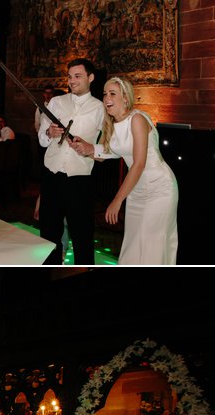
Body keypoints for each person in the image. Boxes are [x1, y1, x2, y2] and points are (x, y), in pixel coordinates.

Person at [70, 76, 179, 264]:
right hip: (136, 190)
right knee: (133, 246)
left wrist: (117, 200)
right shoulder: (112, 124)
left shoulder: (137, 118)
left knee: (152, 247)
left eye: (112, 94)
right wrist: (86, 148)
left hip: (159, 189)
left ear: (126, 98)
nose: (106, 98)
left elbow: (139, 164)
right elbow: (108, 152)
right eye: (104, 94)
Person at [37, 58, 104, 265]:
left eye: (77, 76)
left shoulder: (100, 109)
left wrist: (91, 149)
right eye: (69, 76)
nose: (72, 81)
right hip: (52, 177)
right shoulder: (56, 103)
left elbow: (110, 146)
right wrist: (49, 132)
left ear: (90, 78)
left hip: (80, 181)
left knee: (82, 236)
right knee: (49, 235)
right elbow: (41, 140)